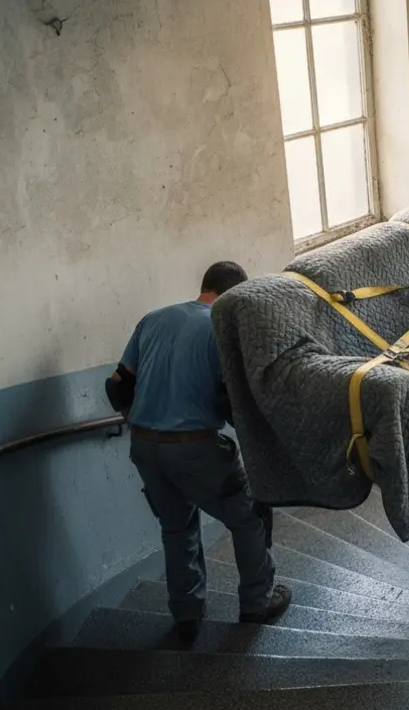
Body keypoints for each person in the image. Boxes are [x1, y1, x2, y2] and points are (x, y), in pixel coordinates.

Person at [105, 261, 290, 638]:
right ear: (235, 295)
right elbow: (230, 402)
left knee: (176, 527)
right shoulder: (222, 329)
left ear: (204, 287)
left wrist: (144, 424)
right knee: (250, 514)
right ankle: (258, 600)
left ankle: (187, 612)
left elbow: (117, 387)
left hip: (144, 446)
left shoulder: (152, 320)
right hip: (193, 448)